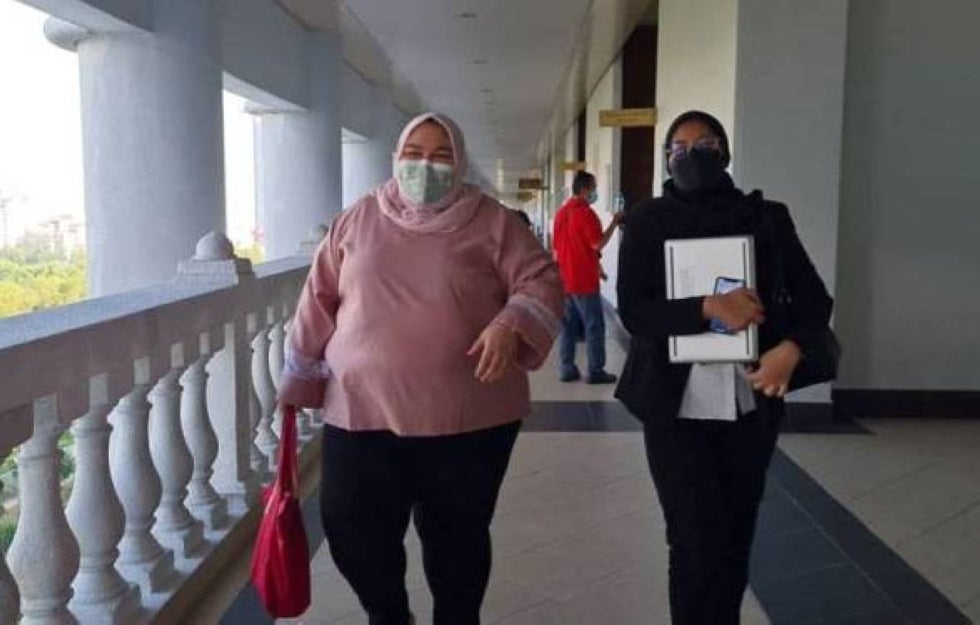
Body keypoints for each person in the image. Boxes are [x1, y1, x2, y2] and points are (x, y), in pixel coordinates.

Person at [277, 112, 564, 625]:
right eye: (414, 153)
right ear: (395, 157)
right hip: (361, 410)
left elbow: (541, 279)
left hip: (468, 417)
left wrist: (511, 322)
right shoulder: (358, 218)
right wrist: (299, 378)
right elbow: (317, 300)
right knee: (351, 531)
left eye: (440, 155)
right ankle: (390, 616)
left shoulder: (491, 220)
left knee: (457, 539)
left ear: (460, 161)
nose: (424, 166)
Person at [615, 110, 833, 625]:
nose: (691, 155)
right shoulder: (647, 221)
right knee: (691, 537)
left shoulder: (767, 218)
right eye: (679, 147)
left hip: (749, 398)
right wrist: (706, 308)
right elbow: (634, 311)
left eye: (705, 143)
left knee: (736, 529)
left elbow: (813, 299)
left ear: (726, 152)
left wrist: (792, 348)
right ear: (666, 159)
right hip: (674, 404)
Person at [552, 170, 623, 383]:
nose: (595, 192)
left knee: (568, 326)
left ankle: (567, 368)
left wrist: (598, 266)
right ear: (584, 189)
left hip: (563, 279)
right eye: (593, 188)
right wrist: (615, 223)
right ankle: (595, 371)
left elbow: (567, 247)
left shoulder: (561, 213)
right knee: (594, 326)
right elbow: (597, 243)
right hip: (583, 280)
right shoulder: (585, 214)